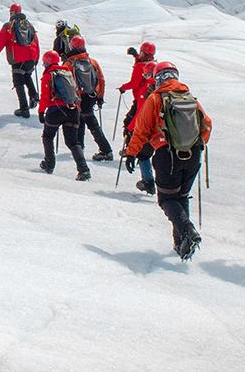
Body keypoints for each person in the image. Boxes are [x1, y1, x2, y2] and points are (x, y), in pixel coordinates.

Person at [123, 61, 212, 260]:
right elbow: (207, 124)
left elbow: (142, 129)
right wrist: (193, 143)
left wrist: (131, 153)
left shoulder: (156, 98)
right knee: (181, 196)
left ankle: (188, 232)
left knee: (167, 199)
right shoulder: (190, 97)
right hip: (193, 155)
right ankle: (180, 244)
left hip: (167, 155)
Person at [37, 50, 90, 179]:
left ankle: (49, 164)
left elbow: (45, 96)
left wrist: (41, 111)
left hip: (56, 111)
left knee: (48, 137)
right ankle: (84, 170)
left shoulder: (49, 75)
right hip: (72, 110)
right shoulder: (67, 73)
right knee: (73, 142)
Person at [64, 35, 114, 160]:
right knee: (84, 120)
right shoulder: (92, 62)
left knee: (87, 122)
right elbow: (101, 79)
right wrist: (100, 97)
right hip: (91, 96)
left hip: (78, 98)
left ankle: (105, 150)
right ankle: (81, 146)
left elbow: (67, 84)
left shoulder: (69, 63)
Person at [118, 42, 158, 193]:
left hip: (142, 105)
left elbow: (135, 82)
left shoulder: (146, 90)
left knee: (131, 127)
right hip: (162, 129)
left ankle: (131, 150)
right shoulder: (154, 69)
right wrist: (135, 57)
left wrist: (123, 87)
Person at [0, 3, 41, 118]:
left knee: (18, 83)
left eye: (11, 12)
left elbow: (1, 41)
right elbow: (36, 42)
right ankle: (34, 95)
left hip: (18, 58)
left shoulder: (9, 26)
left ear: (13, 13)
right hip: (31, 57)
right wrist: (36, 58)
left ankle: (24, 109)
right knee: (27, 75)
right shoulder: (30, 25)